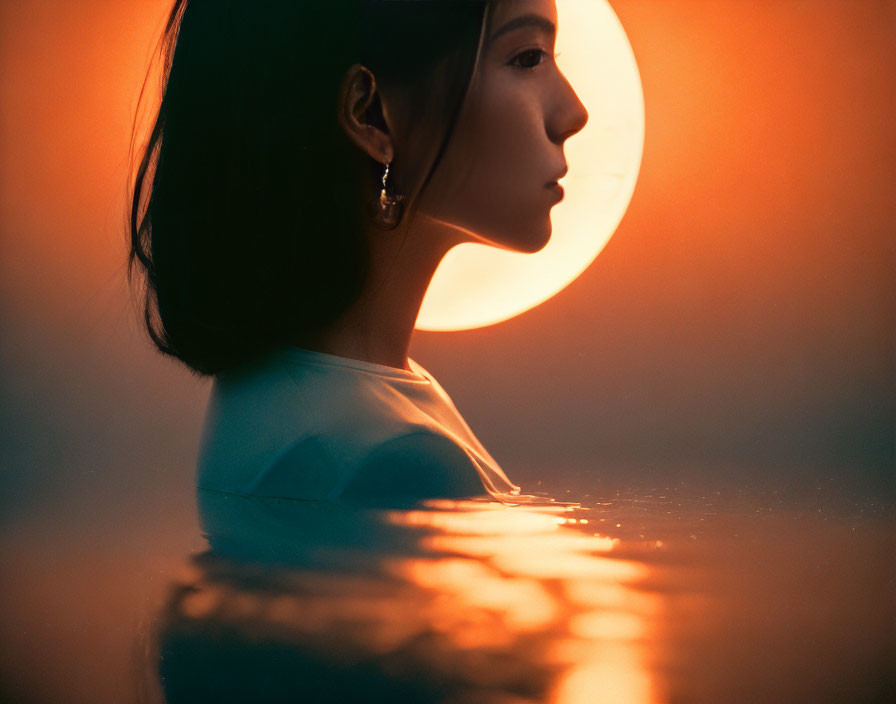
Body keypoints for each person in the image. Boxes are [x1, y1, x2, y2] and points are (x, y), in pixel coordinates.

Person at [127, 0, 588, 509]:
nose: (573, 113)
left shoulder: (274, 389)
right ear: (372, 116)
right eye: (527, 57)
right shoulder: (397, 462)